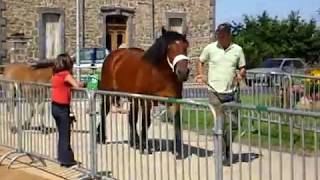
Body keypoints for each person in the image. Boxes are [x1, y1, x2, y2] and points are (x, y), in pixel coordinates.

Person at [195, 23, 246, 166]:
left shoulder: (238, 50)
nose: (220, 37)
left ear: (229, 35)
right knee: (220, 124)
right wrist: (201, 74)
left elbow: (242, 68)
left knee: (235, 124)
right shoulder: (210, 48)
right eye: (218, 35)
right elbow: (200, 61)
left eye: (223, 35)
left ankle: (227, 146)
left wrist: (241, 75)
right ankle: (223, 153)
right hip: (214, 92)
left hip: (232, 93)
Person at [51, 53, 84, 167]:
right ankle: (67, 160)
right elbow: (77, 86)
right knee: (65, 135)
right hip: (62, 107)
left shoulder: (55, 75)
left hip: (54, 106)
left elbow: (64, 88)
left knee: (61, 134)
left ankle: (62, 157)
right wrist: (84, 83)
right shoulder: (66, 74)